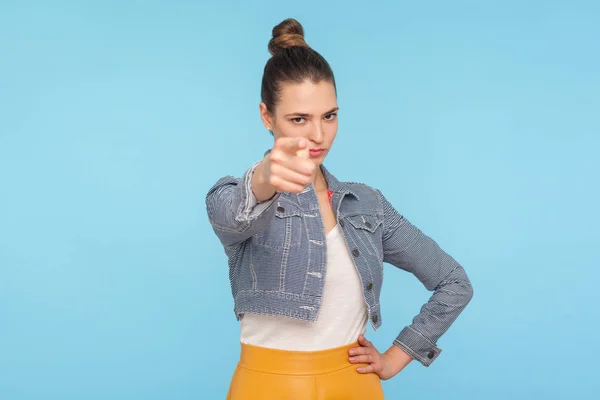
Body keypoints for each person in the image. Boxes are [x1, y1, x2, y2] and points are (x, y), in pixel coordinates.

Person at [205, 17, 474, 400]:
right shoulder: (239, 196)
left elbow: (454, 282)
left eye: (329, 116)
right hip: (266, 386)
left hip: (355, 386)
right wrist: (266, 176)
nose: (318, 135)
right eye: (299, 119)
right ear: (267, 116)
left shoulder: (367, 205)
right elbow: (231, 214)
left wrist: (397, 357)